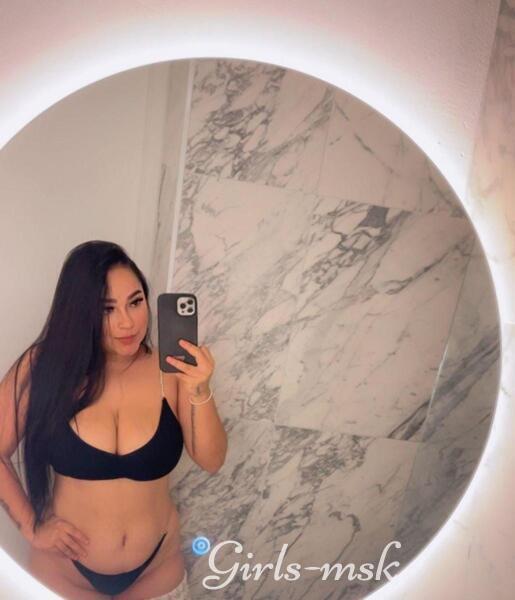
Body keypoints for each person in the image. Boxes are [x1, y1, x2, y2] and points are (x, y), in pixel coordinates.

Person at [0, 240, 228, 599]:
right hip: (63, 575)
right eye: (107, 309)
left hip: (156, 571)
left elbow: (212, 460)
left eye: (135, 302)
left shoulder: (171, 371)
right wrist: (31, 527)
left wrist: (199, 389)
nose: (127, 322)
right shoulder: (45, 367)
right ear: (80, 313)